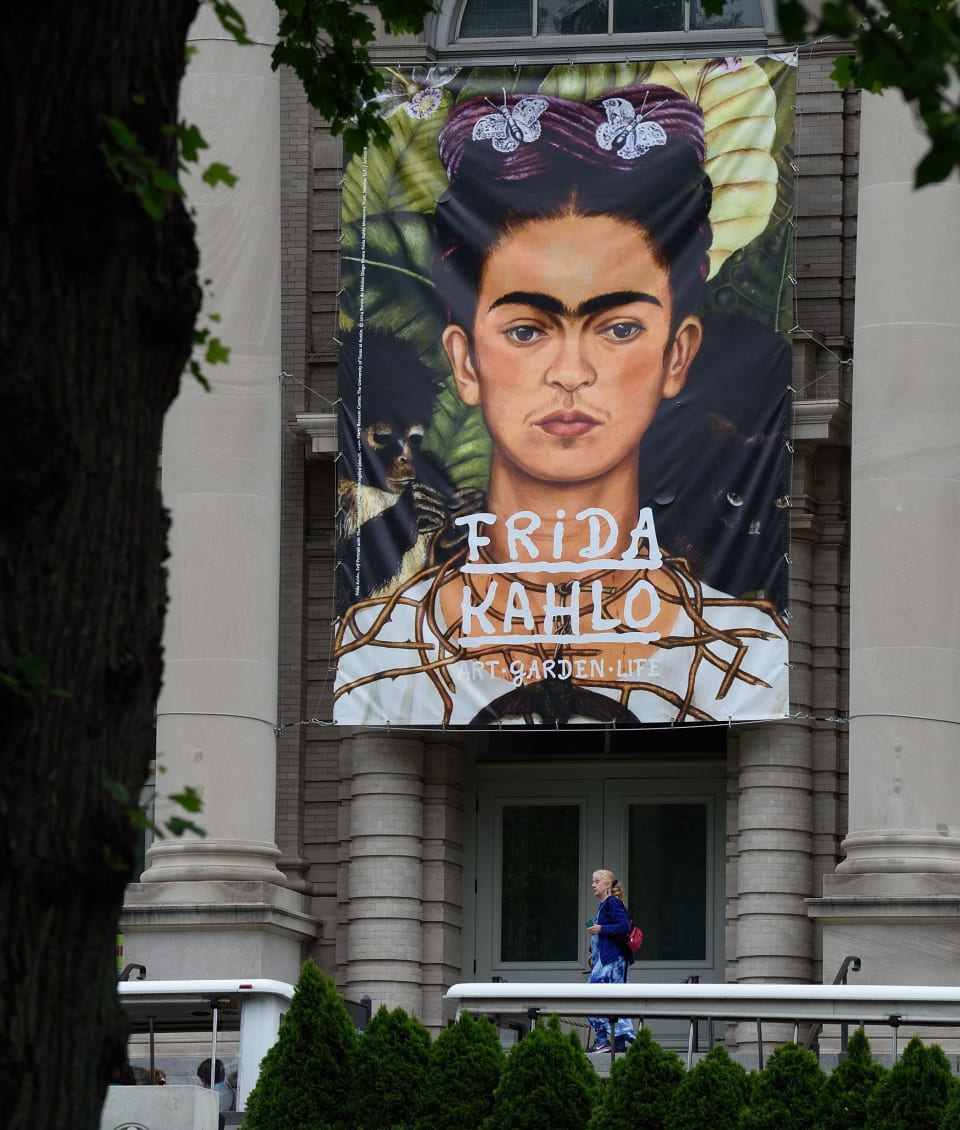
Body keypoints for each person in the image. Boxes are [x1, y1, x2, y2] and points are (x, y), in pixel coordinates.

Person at [333, 84, 788, 725]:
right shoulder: (379, 654)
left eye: (619, 328)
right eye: (526, 329)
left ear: (677, 356)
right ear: (465, 361)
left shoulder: (743, 651)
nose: (571, 373)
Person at [585, 868, 636, 1053]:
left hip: (613, 962)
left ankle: (603, 1040)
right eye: (593, 881)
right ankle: (618, 1046)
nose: (593, 885)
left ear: (607, 884)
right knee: (612, 1001)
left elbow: (623, 927)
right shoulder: (605, 905)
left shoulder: (613, 903)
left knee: (591, 997)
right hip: (607, 960)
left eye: (597, 881)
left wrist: (600, 929)